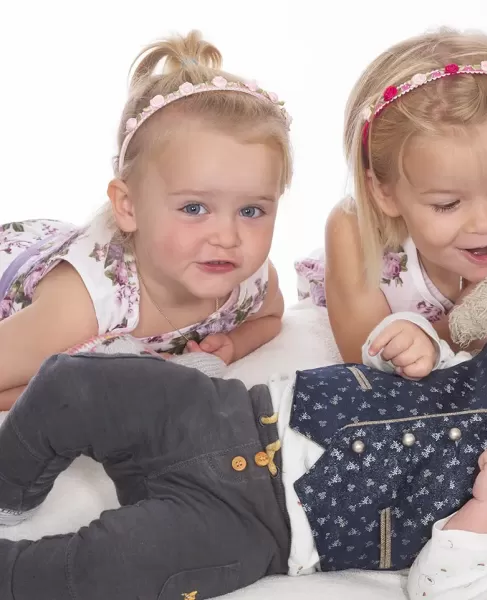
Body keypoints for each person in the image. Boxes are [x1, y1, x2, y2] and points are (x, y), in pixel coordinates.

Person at [0, 312, 487, 599]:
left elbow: (444, 587)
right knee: (74, 382)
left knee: (112, 567)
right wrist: (408, 340)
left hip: (253, 523)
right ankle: (11, 479)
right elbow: (419, 354)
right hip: (228, 415)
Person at [0, 30, 292, 409]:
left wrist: (234, 344)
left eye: (251, 211)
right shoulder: (87, 306)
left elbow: (271, 318)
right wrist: (92, 387)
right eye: (194, 208)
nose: (227, 236)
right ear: (128, 206)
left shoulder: (250, 280)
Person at [297, 27, 487, 367]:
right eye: (447, 204)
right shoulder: (352, 230)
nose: (485, 222)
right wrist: (464, 331)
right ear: (385, 192)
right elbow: (364, 354)